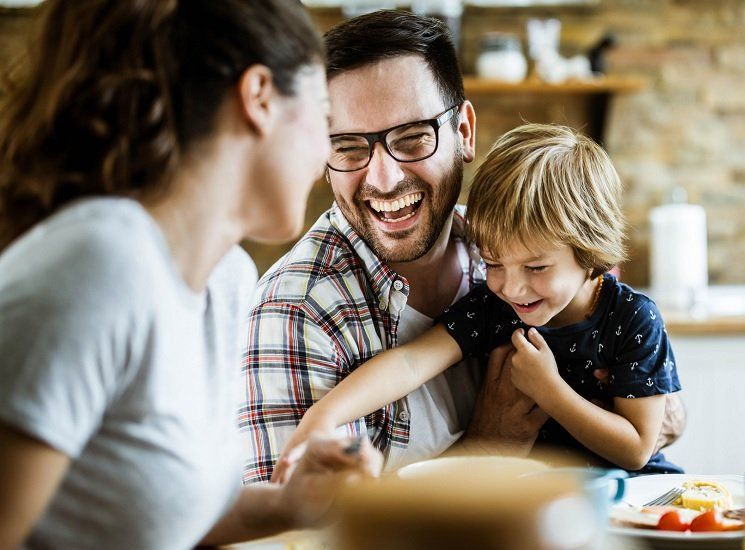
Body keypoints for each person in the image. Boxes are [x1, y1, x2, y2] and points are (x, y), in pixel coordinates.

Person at [242, 10, 685, 484]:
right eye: (348, 146)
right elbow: (308, 532)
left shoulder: (505, 243)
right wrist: (492, 447)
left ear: (465, 133)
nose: (384, 178)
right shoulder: (297, 312)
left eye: (412, 138)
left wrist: (637, 403)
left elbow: (648, 431)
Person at [0, 1, 381, 548]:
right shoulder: (101, 264)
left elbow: (162, 514)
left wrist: (289, 504)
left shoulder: (225, 281)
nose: (325, 151)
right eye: (324, 118)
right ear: (259, 98)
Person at [279, 123, 684, 473]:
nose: (512, 287)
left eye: (536, 268)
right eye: (493, 263)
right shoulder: (495, 308)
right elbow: (410, 362)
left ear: (591, 252)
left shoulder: (632, 317)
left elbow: (636, 449)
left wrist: (549, 390)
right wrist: (325, 415)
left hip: (629, 498)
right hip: (537, 502)